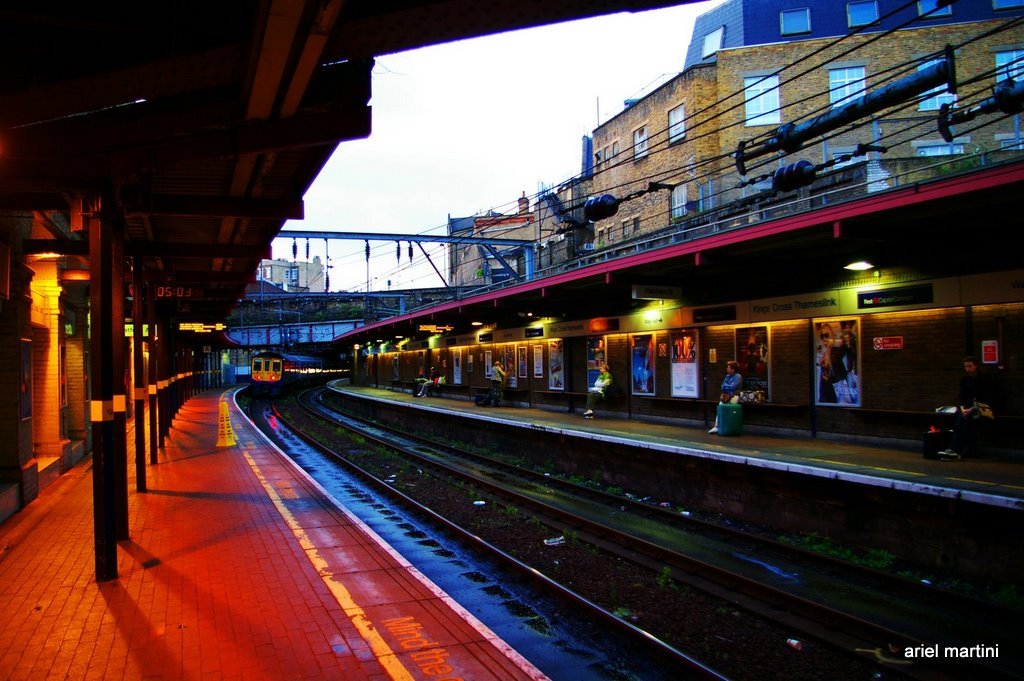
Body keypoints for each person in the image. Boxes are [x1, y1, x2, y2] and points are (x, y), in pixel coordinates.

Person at [939, 356, 992, 459]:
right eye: (966, 366)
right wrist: (963, 408)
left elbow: (985, 398)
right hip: (966, 407)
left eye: (970, 366)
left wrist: (971, 409)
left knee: (965, 425)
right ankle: (955, 449)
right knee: (959, 425)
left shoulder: (983, 380)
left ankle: (955, 449)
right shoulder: (964, 379)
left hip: (978, 408)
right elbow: (962, 396)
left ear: (976, 366)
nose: (968, 369)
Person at [708, 360, 742, 434]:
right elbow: (722, 386)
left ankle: (729, 427)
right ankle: (716, 426)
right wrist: (727, 386)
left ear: (733, 369)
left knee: (730, 410)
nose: (727, 369)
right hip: (725, 396)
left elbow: (733, 387)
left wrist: (726, 386)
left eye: (728, 367)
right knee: (720, 408)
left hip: (734, 396)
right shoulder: (727, 376)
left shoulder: (738, 376)